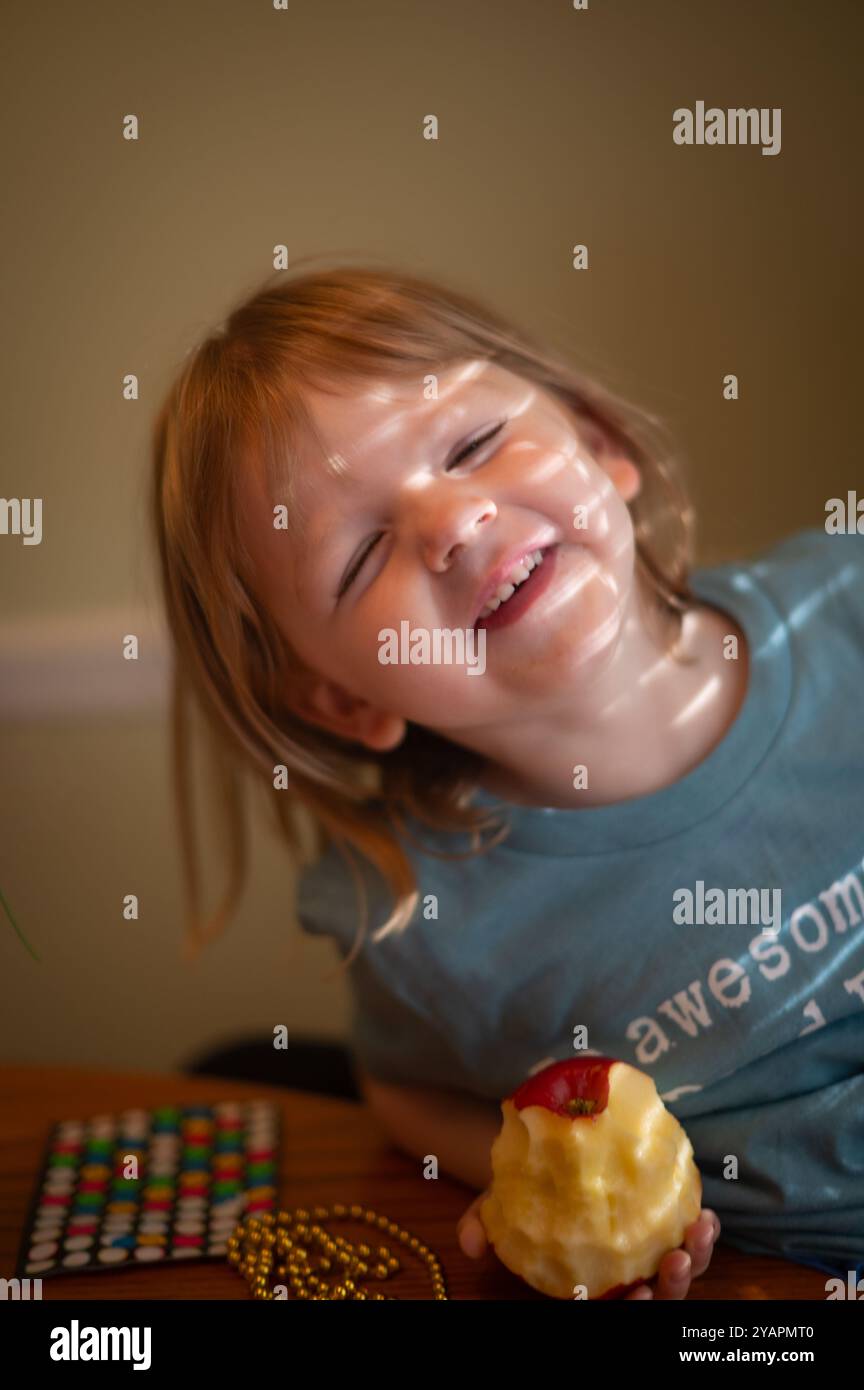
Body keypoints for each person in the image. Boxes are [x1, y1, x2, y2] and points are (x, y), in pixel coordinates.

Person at [151, 259, 863, 1299]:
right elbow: (400, 1091)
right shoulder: (419, 916)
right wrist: (538, 1200)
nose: (451, 522)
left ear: (599, 441)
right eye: (360, 558)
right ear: (343, 700)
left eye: (474, 444)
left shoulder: (851, 606)